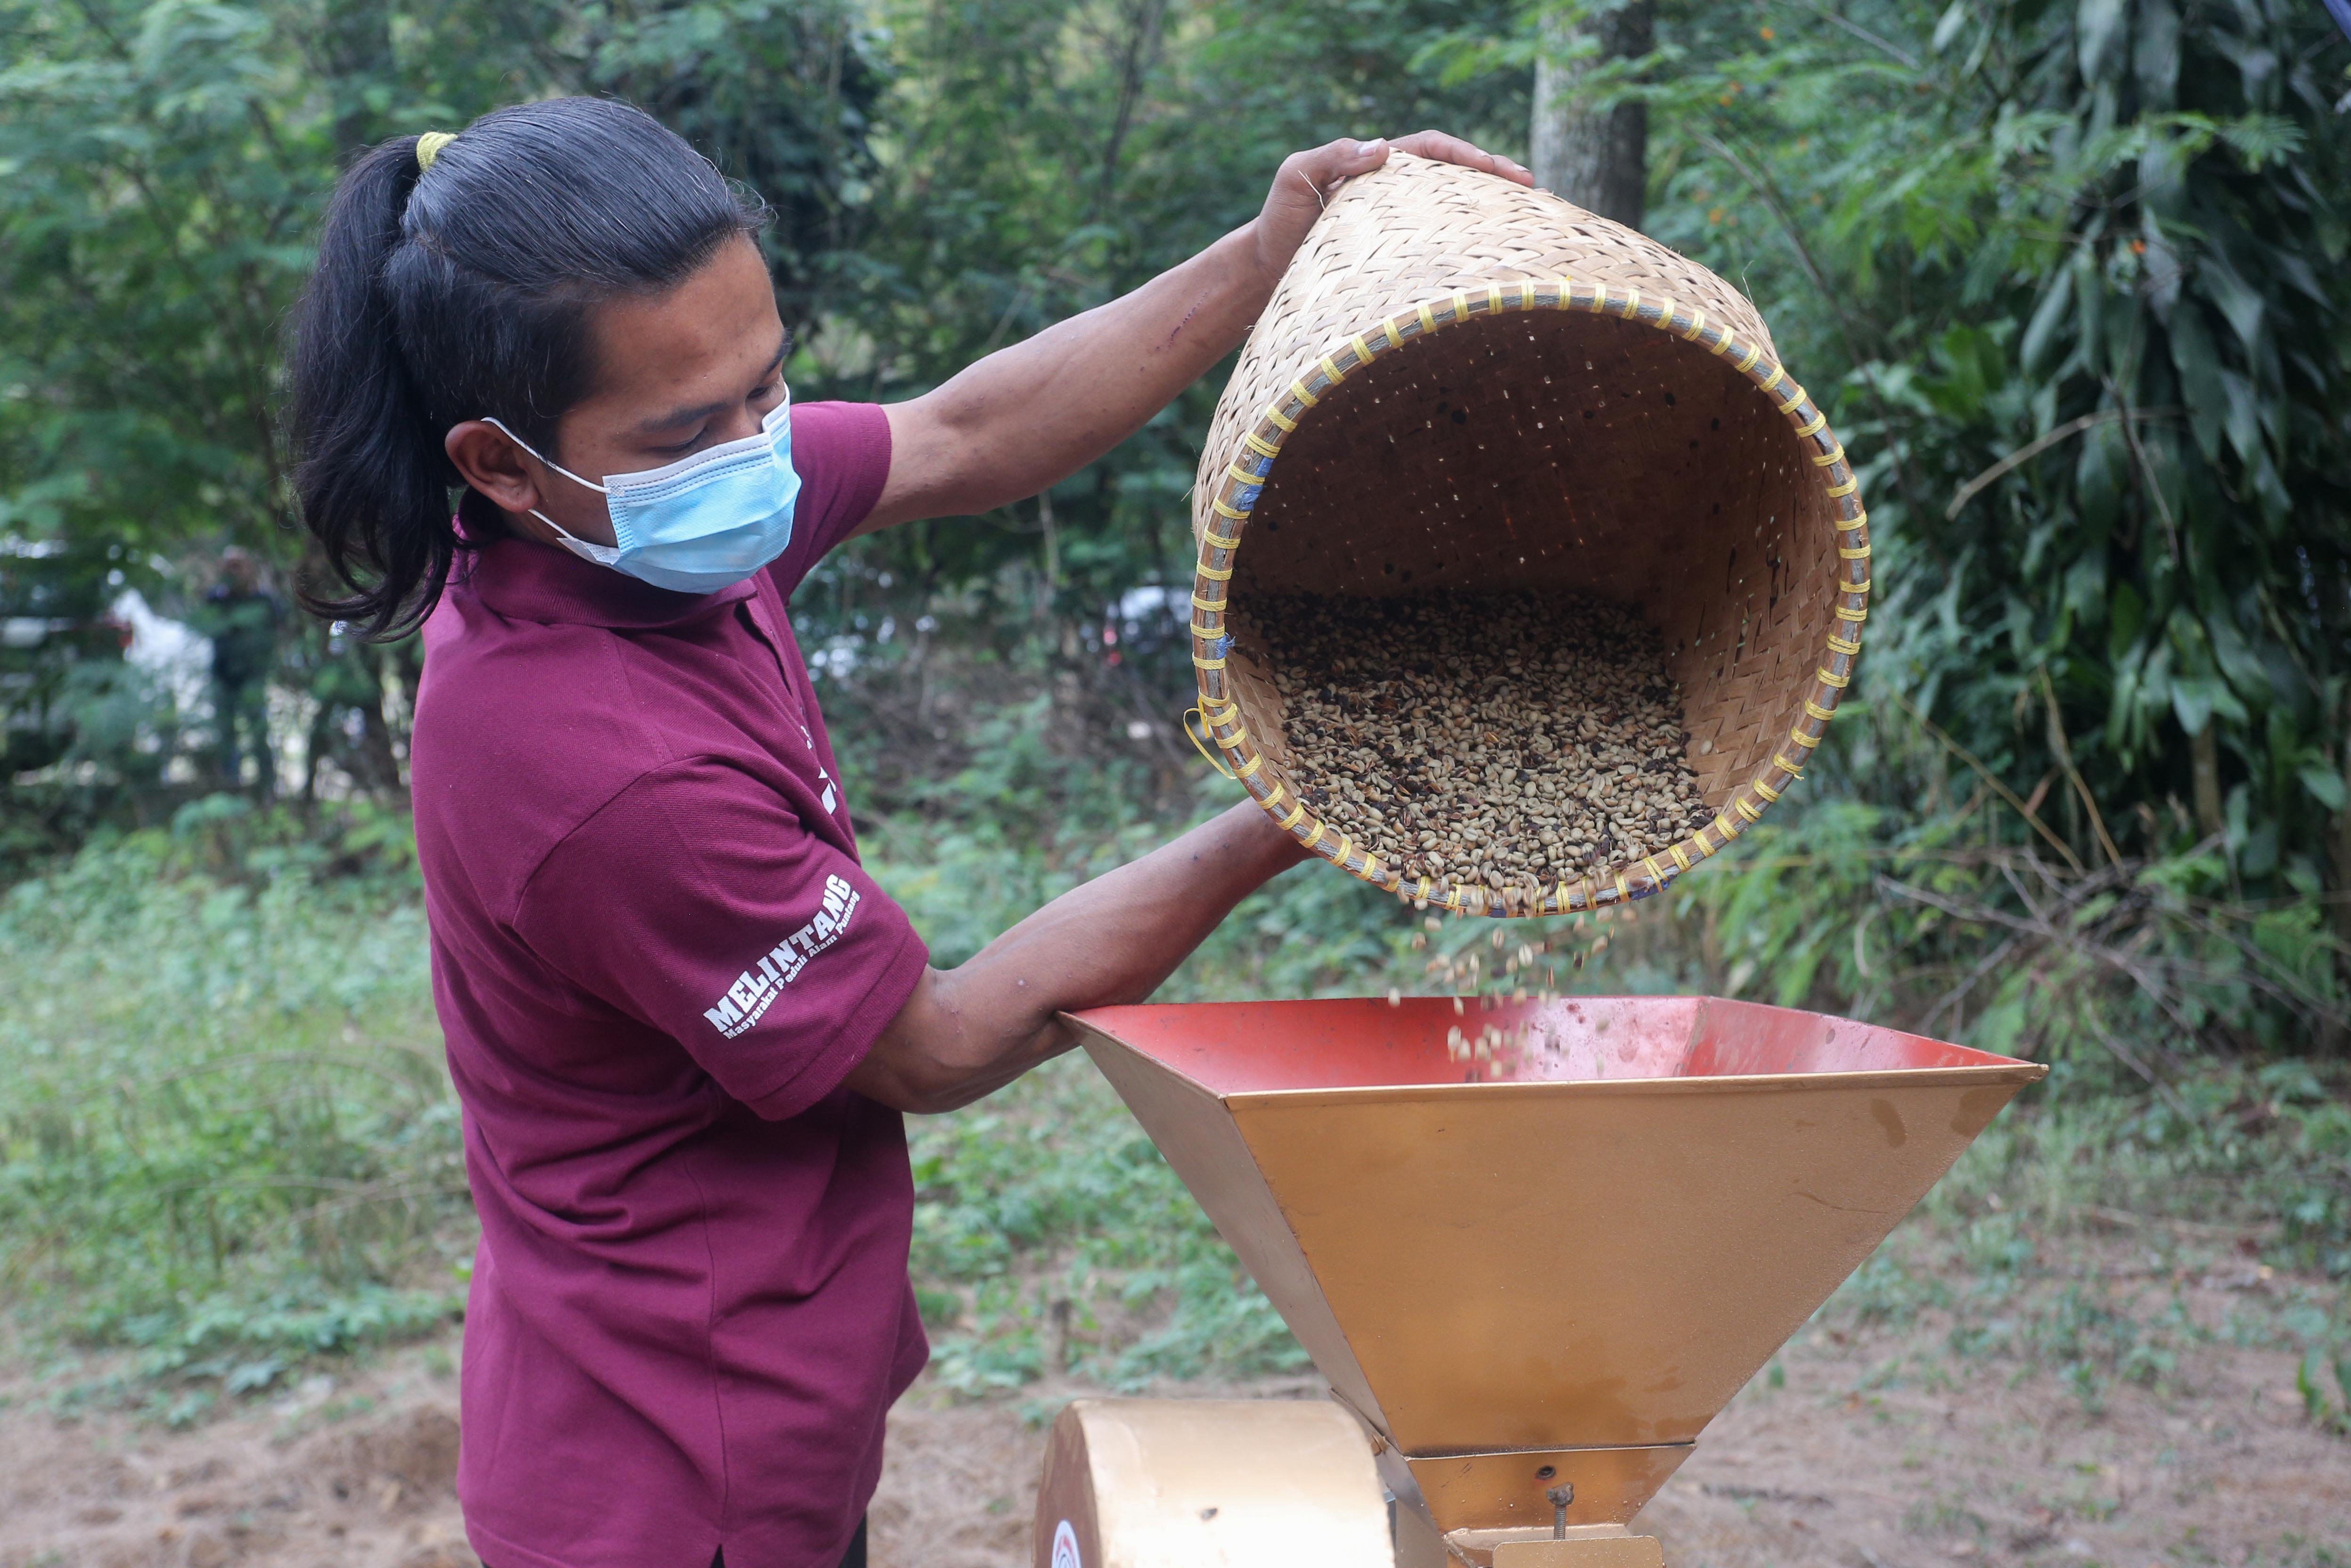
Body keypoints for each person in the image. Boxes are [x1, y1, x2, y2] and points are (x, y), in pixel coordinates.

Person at [286, 98, 1529, 1568]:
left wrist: (1264, 254)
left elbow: (967, 428)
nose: (759, 447)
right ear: (498, 463)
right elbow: (936, 1040)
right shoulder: (597, 776)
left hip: (751, 1374)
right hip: (674, 1460)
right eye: (694, 427)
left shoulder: (644, 526)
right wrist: (1296, 806)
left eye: (768, 386)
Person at [196, 546, 281, 793]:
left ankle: (268, 790)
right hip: (223, 677)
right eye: (228, 566)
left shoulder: (264, 601)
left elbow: (279, 632)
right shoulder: (215, 600)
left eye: (238, 565)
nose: (233, 571)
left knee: (259, 732)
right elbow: (205, 628)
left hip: (254, 677)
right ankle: (230, 791)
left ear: (249, 568)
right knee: (226, 735)